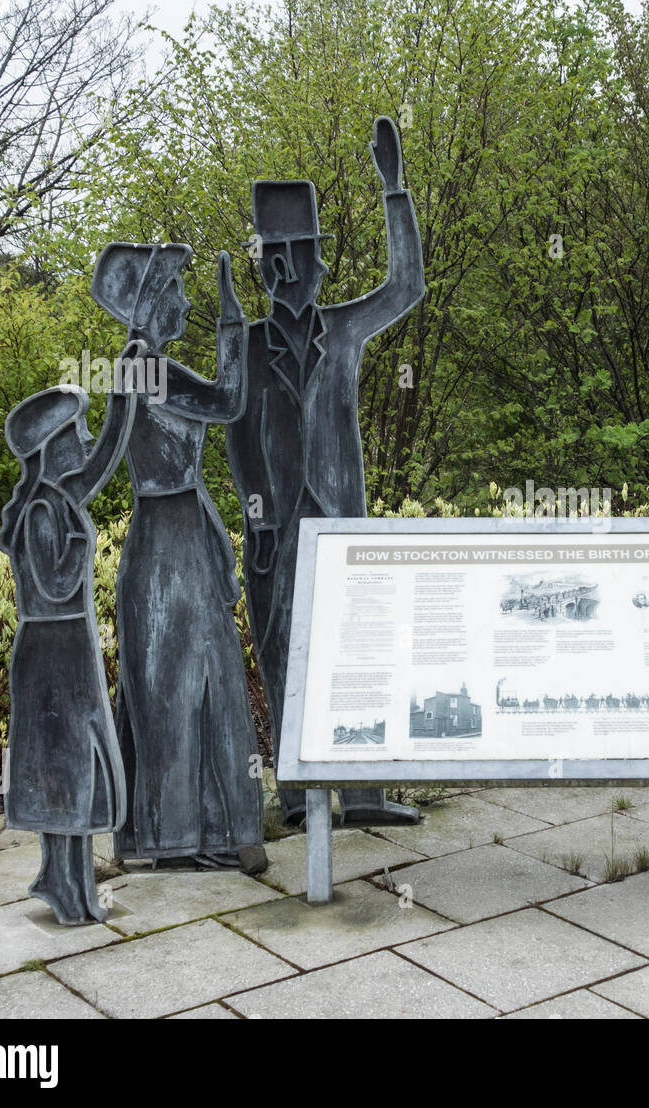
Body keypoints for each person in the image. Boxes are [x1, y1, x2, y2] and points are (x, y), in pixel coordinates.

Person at [227, 117, 425, 824]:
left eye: (299, 257)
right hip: (278, 530)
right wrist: (258, 520)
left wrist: (394, 190)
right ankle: (297, 794)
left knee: (357, 654)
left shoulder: (344, 328)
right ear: (260, 269)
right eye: (272, 260)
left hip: (342, 520)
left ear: (320, 264)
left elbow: (407, 286)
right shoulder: (245, 346)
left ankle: (366, 795)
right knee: (283, 656)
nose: (286, 272)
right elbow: (236, 437)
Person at [91, 244, 264, 867]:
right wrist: (231, 324)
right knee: (175, 684)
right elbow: (227, 401)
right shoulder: (143, 367)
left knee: (200, 679)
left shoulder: (147, 364)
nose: (187, 302)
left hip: (183, 531)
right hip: (166, 545)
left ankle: (211, 830)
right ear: (154, 303)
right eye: (178, 292)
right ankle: (178, 837)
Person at [0, 375, 138, 923]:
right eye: (76, 432)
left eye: (84, 430)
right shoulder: (39, 511)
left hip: (67, 645)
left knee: (80, 766)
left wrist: (121, 406)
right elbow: (56, 584)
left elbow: (101, 460)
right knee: (64, 767)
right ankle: (63, 884)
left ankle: (68, 882)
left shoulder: (57, 500)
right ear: (53, 447)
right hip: (51, 652)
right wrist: (82, 538)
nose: (83, 442)